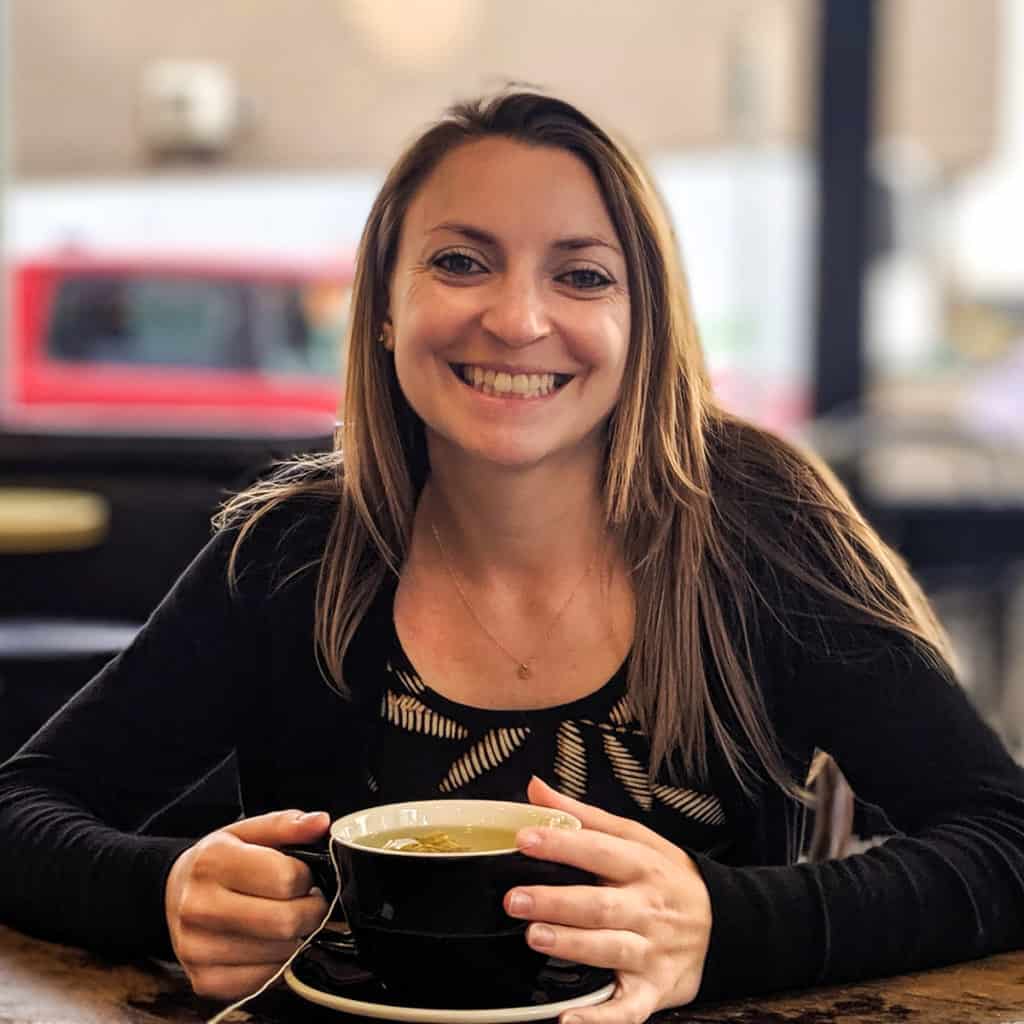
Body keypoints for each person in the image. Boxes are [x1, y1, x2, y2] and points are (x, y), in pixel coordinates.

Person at [1, 90, 1023, 1024]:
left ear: (642, 321)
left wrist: (729, 923)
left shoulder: (757, 532)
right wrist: (164, 893)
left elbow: (1003, 840)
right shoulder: (293, 554)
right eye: (460, 260)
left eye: (581, 275)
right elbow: (20, 810)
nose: (518, 318)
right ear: (387, 304)